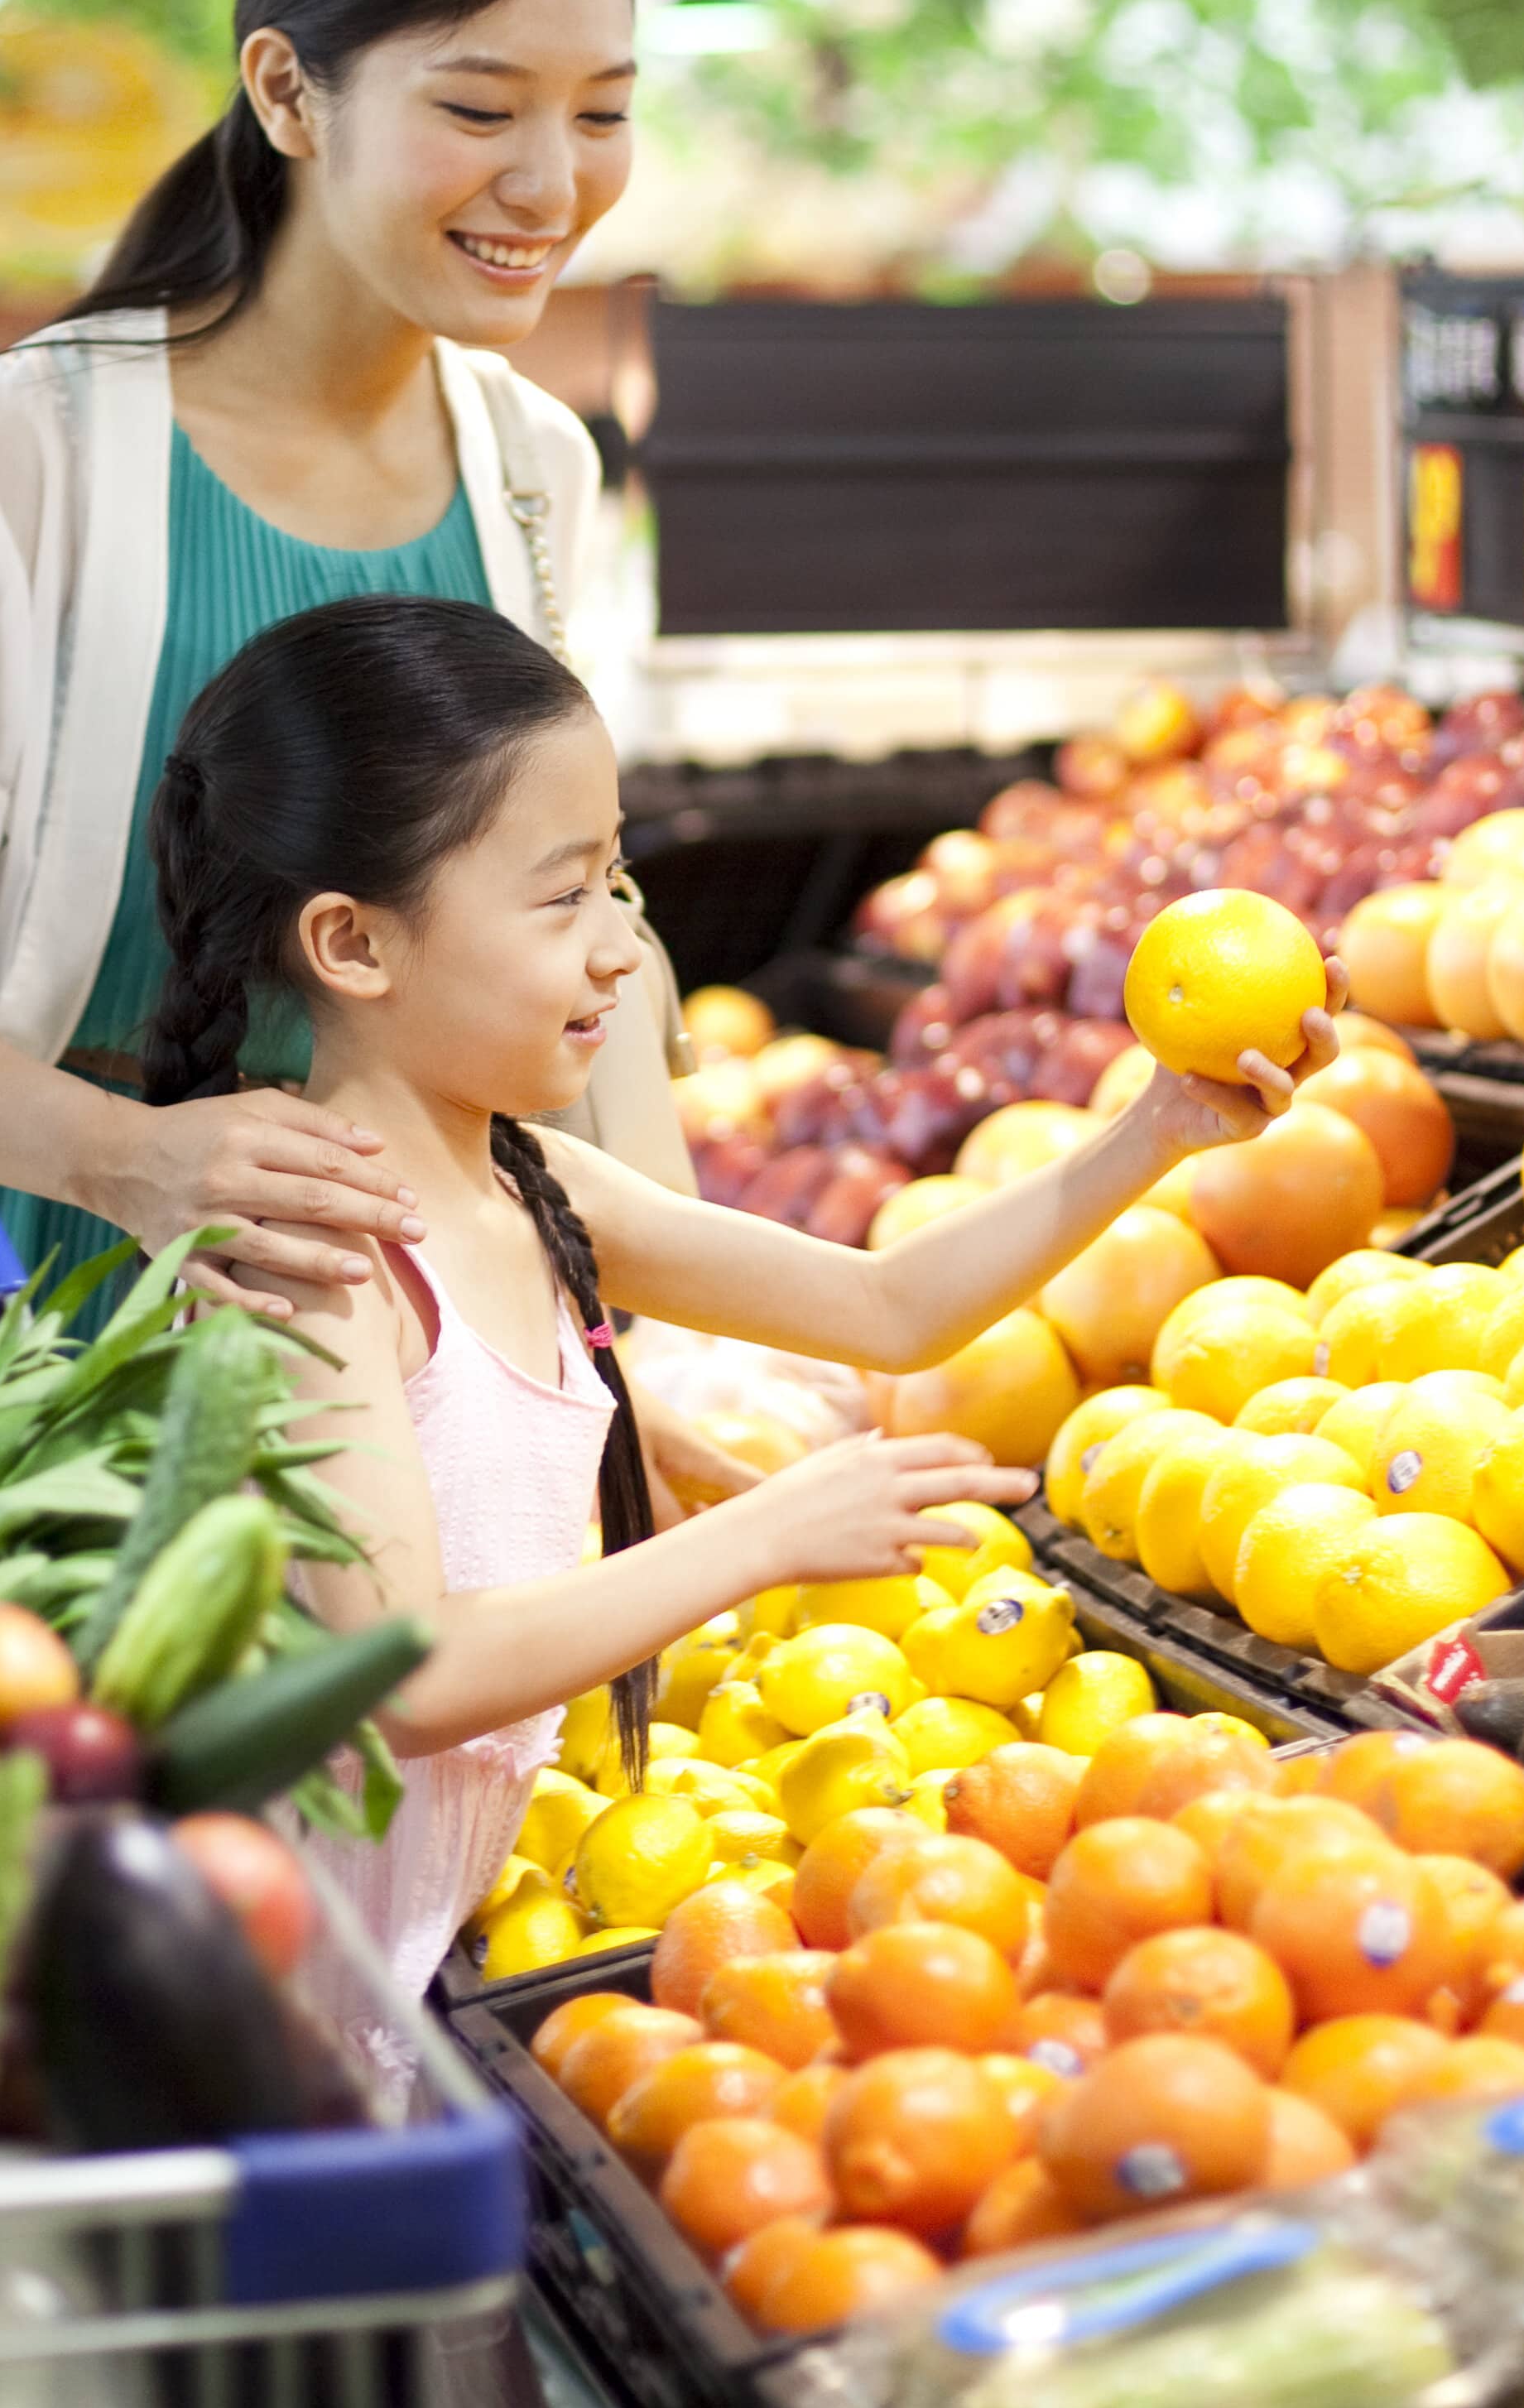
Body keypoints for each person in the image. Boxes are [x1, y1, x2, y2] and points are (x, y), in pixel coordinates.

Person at [139, 594, 1330, 2017]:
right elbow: (411, 1674)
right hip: (305, 1981)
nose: (621, 951)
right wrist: (770, 1536)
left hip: (440, 1947)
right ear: (353, 944)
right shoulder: (315, 1255)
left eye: (620, 884)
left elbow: (890, 1309)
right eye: (561, 894)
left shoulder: (531, 1182)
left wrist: (1160, 1128)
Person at [0, 0, 714, 1457]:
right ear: (287, 92)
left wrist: (651, 1367)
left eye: (604, 113)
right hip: (4, 1333)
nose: (552, 182)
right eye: (480, 108)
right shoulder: (11, 458)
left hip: (358, 1366)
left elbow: (581, 955)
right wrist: (134, 1165)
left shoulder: (537, 474)